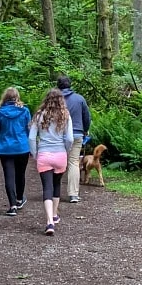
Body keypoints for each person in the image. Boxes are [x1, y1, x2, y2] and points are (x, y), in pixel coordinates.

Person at [28, 88, 73, 236]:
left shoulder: (39, 115)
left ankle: (49, 222)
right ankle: (54, 214)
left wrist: (35, 153)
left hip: (44, 155)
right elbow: (70, 139)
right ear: (61, 101)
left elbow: (31, 138)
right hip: (60, 154)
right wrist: (65, 150)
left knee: (47, 187)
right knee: (56, 185)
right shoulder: (65, 115)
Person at [0, 87, 32, 216]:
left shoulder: (0, 113)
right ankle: (19, 199)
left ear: (5, 97)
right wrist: (30, 145)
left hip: (5, 148)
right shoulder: (25, 111)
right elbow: (29, 130)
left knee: (9, 176)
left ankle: (12, 205)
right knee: (20, 174)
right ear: (17, 97)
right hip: (22, 147)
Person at [57, 75, 91, 204]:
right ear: (70, 85)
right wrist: (85, 130)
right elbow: (87, 117)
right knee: (73, 163)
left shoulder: (54, 100)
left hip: (58, 135)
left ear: (58, 86)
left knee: (58, 162)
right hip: (77, 134)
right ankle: (73, 194)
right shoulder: (79, 99)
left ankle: (54, 192)